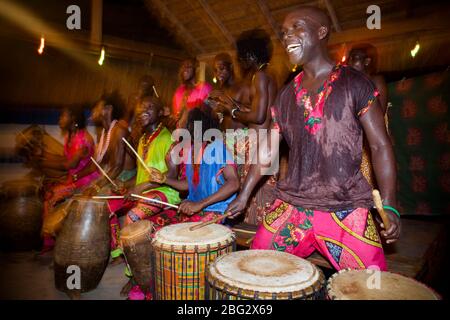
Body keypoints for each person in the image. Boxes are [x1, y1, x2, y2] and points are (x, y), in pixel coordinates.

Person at [226, 6, 401, 271]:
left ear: (321, 32)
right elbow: (267, 152)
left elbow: (379, 145)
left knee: (373, 286)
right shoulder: (286, 95)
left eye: (297, 27)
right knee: (254, 269)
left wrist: (389, 204)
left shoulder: (355, 83)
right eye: (283, 33)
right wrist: (244, 194)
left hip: (346, 208)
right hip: (291, 206)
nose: (287, 36)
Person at [210, 29, 277, 226]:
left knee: (255, 206)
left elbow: (258, 116)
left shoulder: (260, 76)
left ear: (249, 55)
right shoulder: (268, 75)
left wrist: (231, 112)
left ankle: (254, 250)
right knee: (258, 202)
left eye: (241, 56)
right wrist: (231, 105)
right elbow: (261, 110)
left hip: (257, 145)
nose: (240, 61)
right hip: (263, 144)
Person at [37, 106, 99, 252]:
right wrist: (42, 154)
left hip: (85, 181)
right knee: (48, 189)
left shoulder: (84, 139)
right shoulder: (70, 137)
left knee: (51, 196)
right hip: (73, 179)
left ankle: (50, 241)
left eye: (63, 116)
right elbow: (64, 158)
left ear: (73, 119)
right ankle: (51, 238)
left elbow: (69, 164)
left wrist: (41, 160)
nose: (60, 120)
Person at [165, 106, 240, 222]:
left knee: (180, 234)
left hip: (218, 211)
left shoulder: (217, 147)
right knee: (163, 223)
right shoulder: (193, 149)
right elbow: (188, 184)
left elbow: (233, 183)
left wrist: (199, 204)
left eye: (184, 123)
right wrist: (162, 179)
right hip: (199, 208)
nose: (179, 125)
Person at [348, 44, 389, 188]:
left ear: (367, 61)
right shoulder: (349, 85)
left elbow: (380, 112)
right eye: (350, 58)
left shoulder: (376, 80)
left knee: (370, 185)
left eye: (355, 58)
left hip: (371, 140)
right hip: (353, 142)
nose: (350, 61)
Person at [172, 58, 212, 129]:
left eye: (189, 66)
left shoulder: (204, 88)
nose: (185, 69)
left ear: (196, 70)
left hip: (198, 133)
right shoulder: (179, 91)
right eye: (183, 66)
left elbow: (208, 114)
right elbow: (176, 114)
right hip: (180, 133)